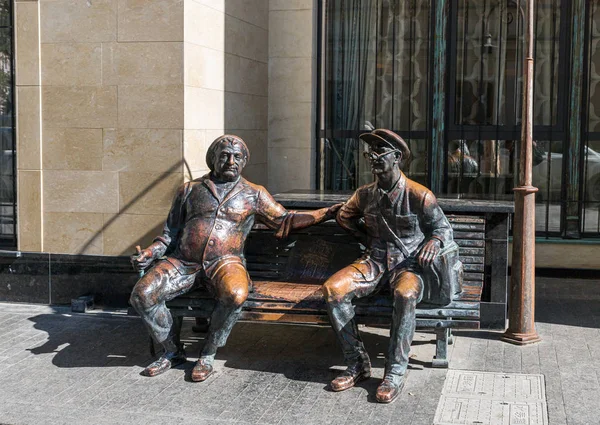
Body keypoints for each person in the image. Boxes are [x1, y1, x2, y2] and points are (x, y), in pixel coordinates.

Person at [130, 134, 339, 381]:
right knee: (142, 294)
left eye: (237, 157)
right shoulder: (189, 190)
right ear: (213, 159)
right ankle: (172, 351)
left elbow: (286, 220)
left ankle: (208, 353)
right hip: (183, 261)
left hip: (225, 263)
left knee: (235, 294)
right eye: (225, 155)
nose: (231, 161)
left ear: (244, 162)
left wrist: (327, 213)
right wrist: (150, 253)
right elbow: (169, 234)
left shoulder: (254, 194)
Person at [322, 129, 462, 403]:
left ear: (397, 157)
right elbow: (345, 218)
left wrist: (433, 242)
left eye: (379, 152)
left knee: (405, 294)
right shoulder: (364, 194)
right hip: (373, 262)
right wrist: (366, 238)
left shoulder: (419, 195)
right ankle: (356, 363)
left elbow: (443, 229)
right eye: (369, 153)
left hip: (408, 265)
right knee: (333, 289)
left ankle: (395, 370)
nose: (373, 158)